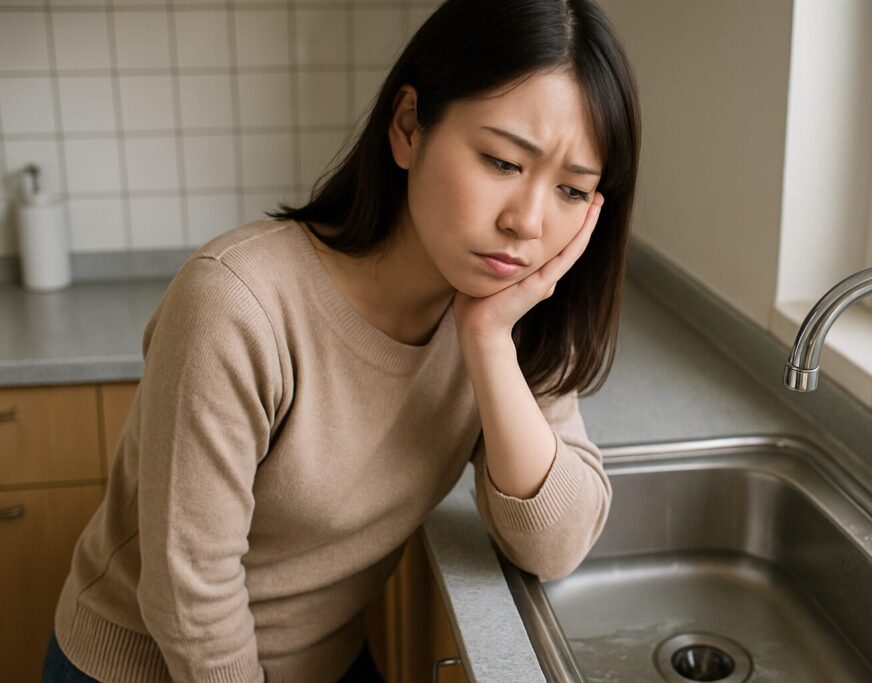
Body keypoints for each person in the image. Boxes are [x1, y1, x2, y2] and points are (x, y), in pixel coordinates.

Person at [42, 0, 641, 680]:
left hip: (325, 660)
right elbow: (192, 599)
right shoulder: (236, 303)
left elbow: (555, 545)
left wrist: (488, 342)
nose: (527, 222)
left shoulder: (511, 310)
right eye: (503, 162)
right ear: (408, 126)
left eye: (572, 190)